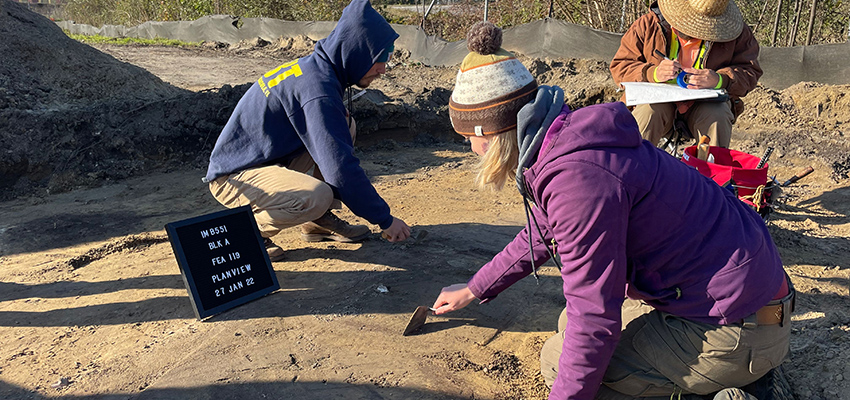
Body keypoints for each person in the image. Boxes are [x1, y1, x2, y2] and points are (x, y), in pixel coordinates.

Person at [433, 21, 791, 399]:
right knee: (567, 323)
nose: (470, 151)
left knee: (560, 360)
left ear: (486, 135)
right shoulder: (570, 140)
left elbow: (595, 322)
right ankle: (726, 371)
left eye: (467, 141)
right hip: (743, 298)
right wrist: (475, 288)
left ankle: (729, 387)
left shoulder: (578, 181)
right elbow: (544, 230)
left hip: (738, 327)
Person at [204, 0, 411, 261]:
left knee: (344, 125)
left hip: (263, 162)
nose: (383, 69)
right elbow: (340, 168)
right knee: (317, 195)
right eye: (378, 59)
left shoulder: (319, 69)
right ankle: (247, 234)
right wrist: (385, 219)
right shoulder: (317, 90)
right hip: (234, 177)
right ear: (356, 52)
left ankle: (316, 222)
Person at [609, 0, 763, 148]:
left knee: (718, 115)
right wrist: (653, 73)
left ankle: (711, 173)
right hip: (658, 102)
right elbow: (621, 67)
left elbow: (750, 71)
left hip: (705, 105)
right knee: (648, 111)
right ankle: (634, 171)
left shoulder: (737, 33)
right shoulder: (648, 25)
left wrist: (720, 79)